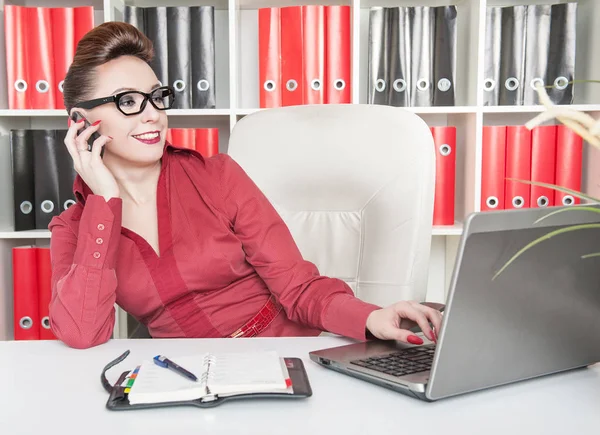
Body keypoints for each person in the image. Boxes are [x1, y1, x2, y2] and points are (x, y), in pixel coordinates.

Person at [49, 22, 442, 349]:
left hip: (281, 352)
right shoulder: (74, 228)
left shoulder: (217, 176)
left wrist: (371, 316)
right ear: (81, 121)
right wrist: (105, 202)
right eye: (128, 101)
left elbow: (298, 286)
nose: (152, 115)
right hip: (182, 379)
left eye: (156, 97)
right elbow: (83, 334)